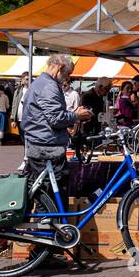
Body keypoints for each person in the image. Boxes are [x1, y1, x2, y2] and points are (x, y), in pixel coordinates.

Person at [20, 54, 91, 229]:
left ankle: (48, 245)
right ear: (59, 68)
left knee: (50, 196)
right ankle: (44, 247)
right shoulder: (49, 86)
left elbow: (49, 116)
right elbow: (56, 118)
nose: (66, 79)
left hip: (43, 145)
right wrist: (76, 116)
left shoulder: (41, 84)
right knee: (50, 198)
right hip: (46, 149)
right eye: (67, 75)